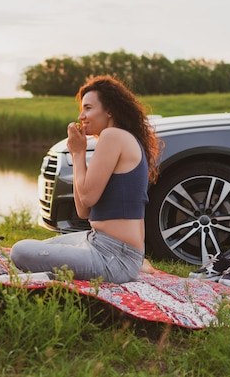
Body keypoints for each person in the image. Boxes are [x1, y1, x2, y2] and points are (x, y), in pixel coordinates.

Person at [10, 75, 161, 284]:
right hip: (99, 242)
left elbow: (88, 197)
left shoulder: (113, 136)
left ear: (109, 110)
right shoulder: (115, 138)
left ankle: (50, 277)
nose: (81, 116)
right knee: (45, 246)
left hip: (115, 256)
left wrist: (79, 153)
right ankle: (134, 265)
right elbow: (84, 210)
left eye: (88, 108)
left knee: (20, 251)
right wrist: (76, 154)